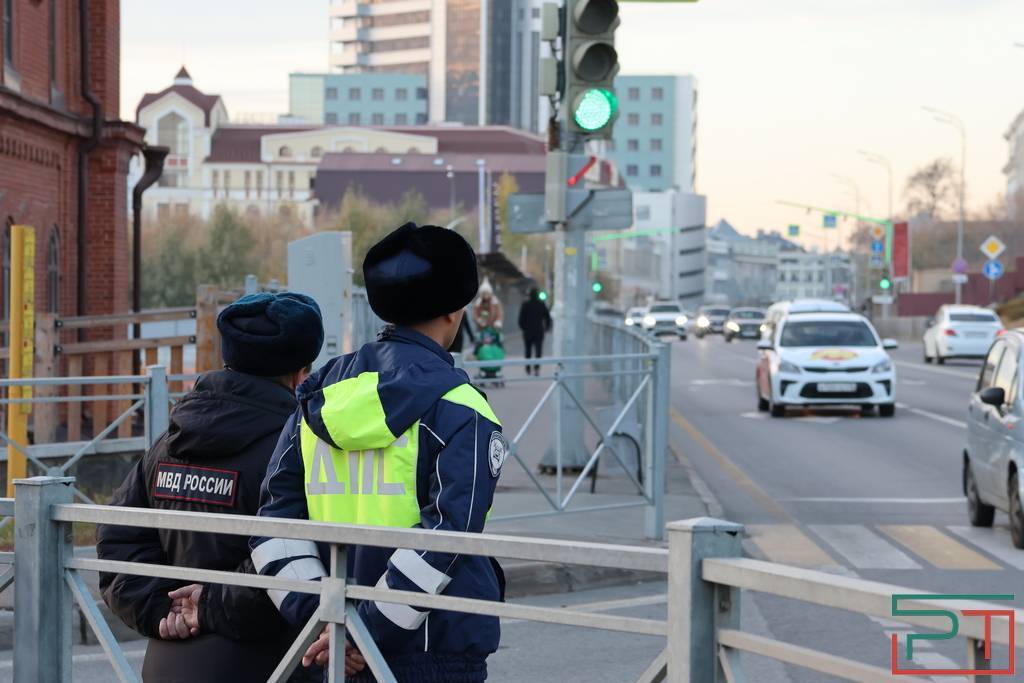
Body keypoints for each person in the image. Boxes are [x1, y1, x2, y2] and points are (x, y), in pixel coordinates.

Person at [250, 222, 506, 683]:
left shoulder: (320, 394)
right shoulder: (463, 409)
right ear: (455, 313)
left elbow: (273, 526)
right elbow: (449, 538)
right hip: (431, 647)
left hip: (326, 644)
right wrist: (362, 632)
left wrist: (327, 622)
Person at [96, 292, 327, 683]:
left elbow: (119, 539)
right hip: (277, 664)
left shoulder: (169, 440)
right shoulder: (299, 449)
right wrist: (208, 606)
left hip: (170, 663)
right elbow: (296, 561)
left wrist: (162, 609)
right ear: (301, 374)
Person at [517, 287, 552, 376]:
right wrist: (547, 328)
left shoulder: (525, 305)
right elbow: (547, 317)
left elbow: (521, 320)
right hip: (539, 331)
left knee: (528, 350)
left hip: (528, 332)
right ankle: (536, 368)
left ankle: (528, 368)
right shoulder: (541, 304)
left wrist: (524, 328)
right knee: (538, 351)